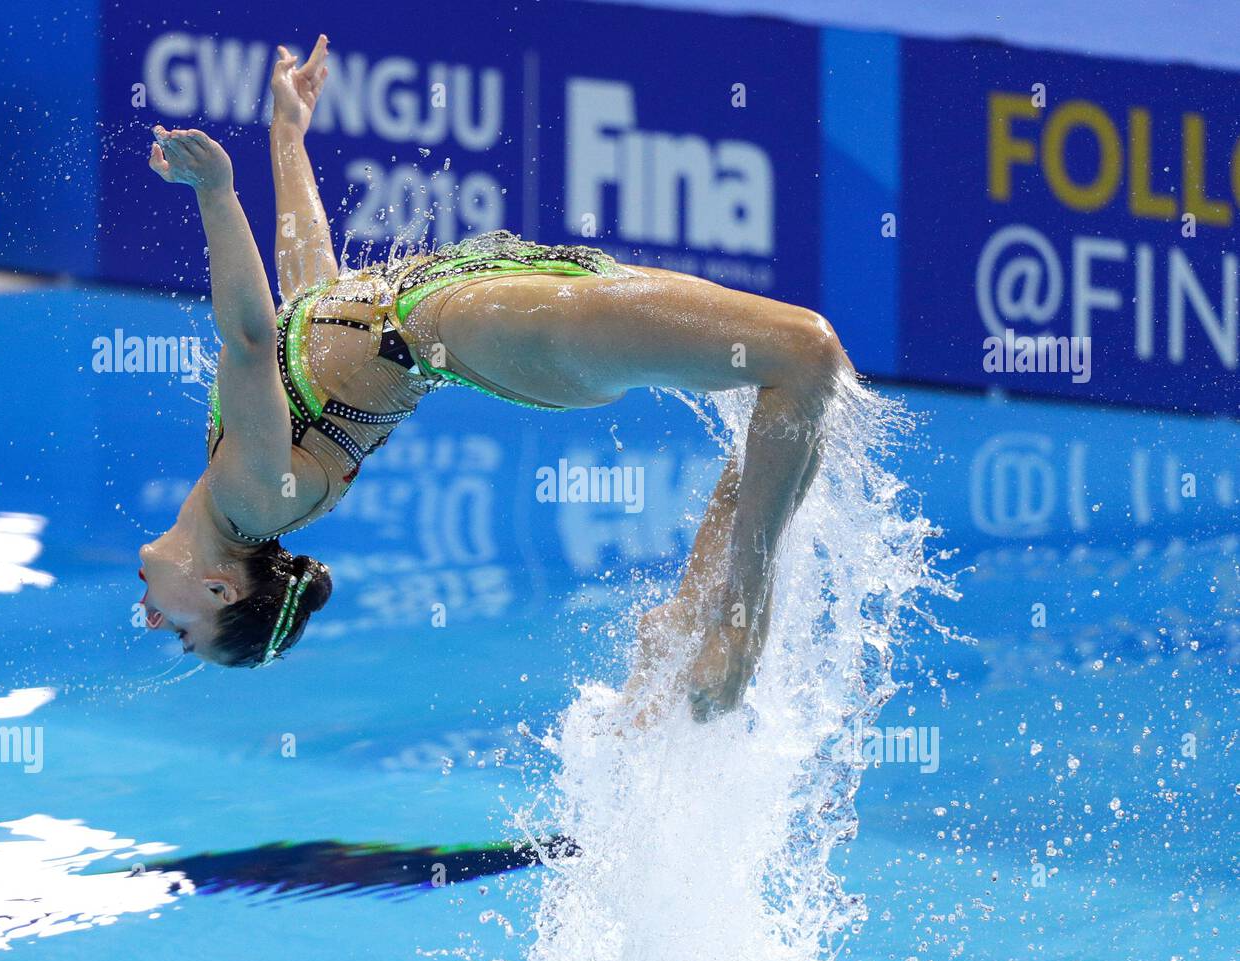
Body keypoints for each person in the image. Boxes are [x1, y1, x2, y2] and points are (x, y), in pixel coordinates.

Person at [138, 35, 852, 719]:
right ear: (218, 587)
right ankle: (737, 631)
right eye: (182, 631)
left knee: (797, 377)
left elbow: (309, 304)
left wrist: (287, 135)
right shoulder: (249, 503)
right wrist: (215, 194)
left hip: (490, 298)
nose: (152, 620)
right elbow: (251, 337)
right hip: (496, 328)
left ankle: (695, 608)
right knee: (804, 356)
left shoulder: (243, 486)